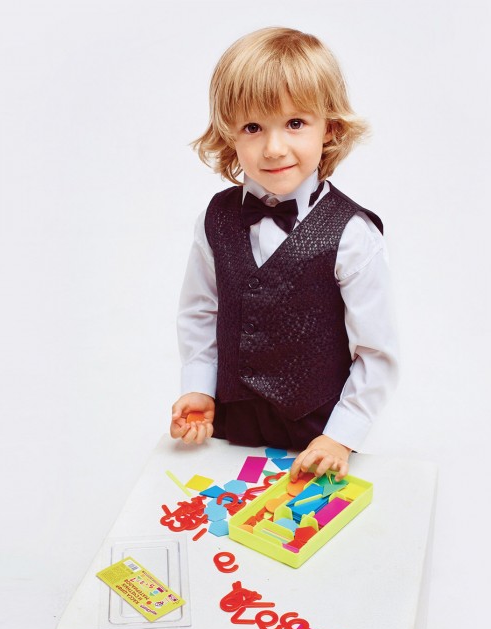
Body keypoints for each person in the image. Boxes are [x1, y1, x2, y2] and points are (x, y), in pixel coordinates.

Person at [170, 27, 398, 483]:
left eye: (295, 123)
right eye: (253, 127)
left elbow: (376, 352)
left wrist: (341, 436)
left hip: (318, 435)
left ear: (329, 127)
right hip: (231, 425)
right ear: (229, 134)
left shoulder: (353, 234)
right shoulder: (215, 219)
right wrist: (199, 388)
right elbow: (200, 312)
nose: (274, 149)